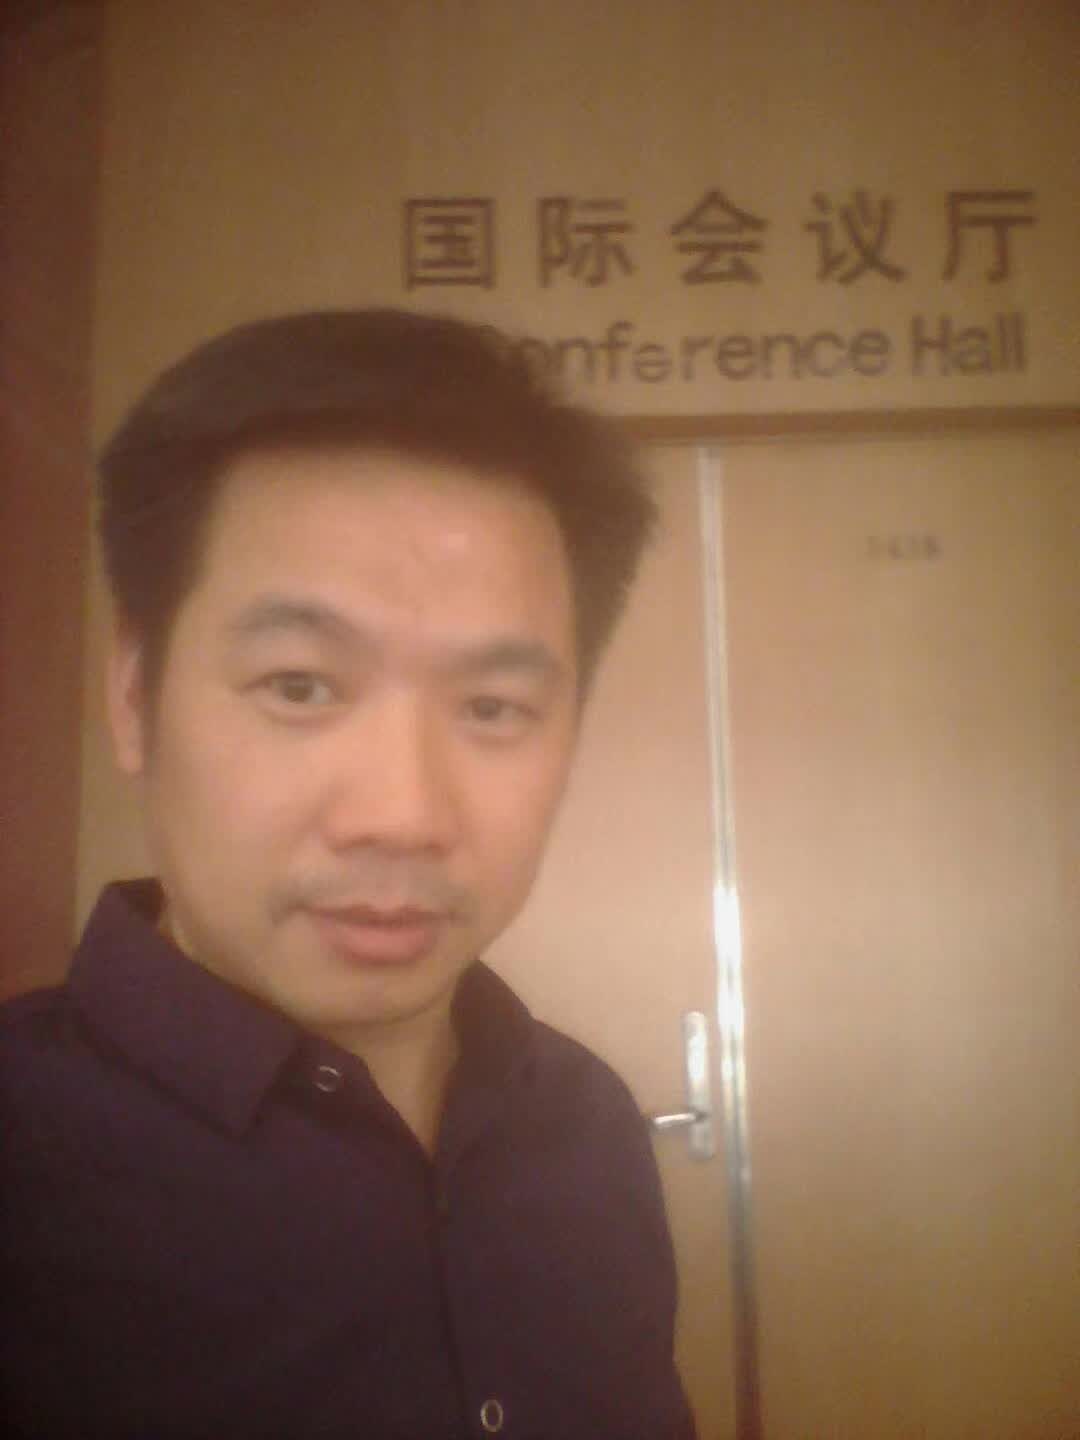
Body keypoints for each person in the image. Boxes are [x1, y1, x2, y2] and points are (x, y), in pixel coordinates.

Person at [1, 309, 696, 1439]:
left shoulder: (586, 1125)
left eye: (494, 707)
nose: (403, 816)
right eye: (300, 686)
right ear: (134, 698)